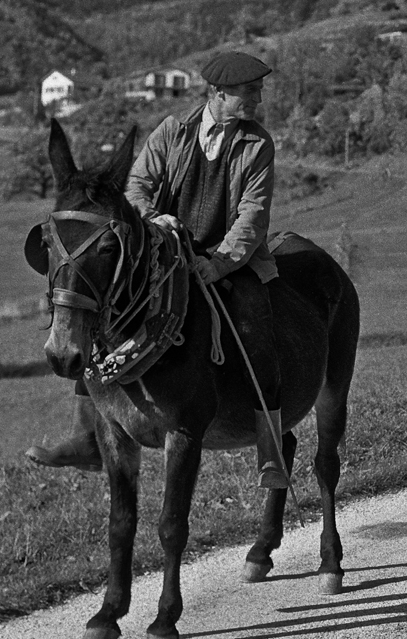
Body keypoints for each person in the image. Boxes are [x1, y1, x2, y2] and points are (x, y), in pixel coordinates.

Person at [27, 50, 290, 491]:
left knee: (254, 314)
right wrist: (153, 219)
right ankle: (88, 436)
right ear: (219, 93)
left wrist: (219, 262)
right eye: (250, 91)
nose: (258, 99)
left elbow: (252, 215)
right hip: (165, 249)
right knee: (102, 311)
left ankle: (270, 445)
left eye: (258, 90)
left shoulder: (258, 144)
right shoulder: (173, 130)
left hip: (225, 256)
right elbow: (138, 186)